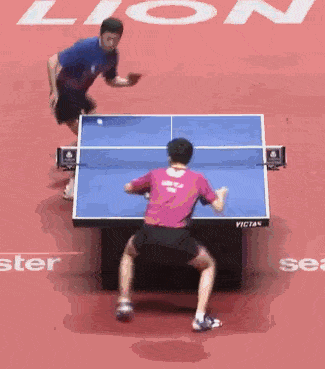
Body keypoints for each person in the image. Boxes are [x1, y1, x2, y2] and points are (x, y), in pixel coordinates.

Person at [116, 138, 229, 332]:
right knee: (208, 265)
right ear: (190, 157)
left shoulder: (155, 174)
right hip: (178, 239)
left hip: (148, 235)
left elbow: (128, 188)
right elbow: (218, 207)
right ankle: (200, 318)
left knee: (128, 253)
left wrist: (147, 191)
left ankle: (124, 302)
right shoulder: (198, 179)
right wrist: (221, 194)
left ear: (169, 157)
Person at [47, 17, 142, 200]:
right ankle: (72, 186)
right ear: (101, 35)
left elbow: (111, 80)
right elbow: (52, 61)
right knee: (90, 138)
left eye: (115, 39)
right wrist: (54, 92)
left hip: (80, 94)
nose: (111, 43)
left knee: (94, 125)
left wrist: (128, 82)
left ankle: (69, 153)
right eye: (108, 38)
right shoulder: (85, 48)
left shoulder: (112, 55)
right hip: (65, 96)